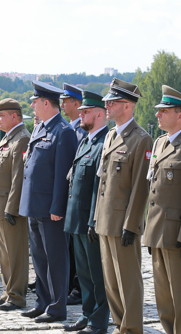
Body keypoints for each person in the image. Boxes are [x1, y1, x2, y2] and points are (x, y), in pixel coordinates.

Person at [94, 78, 152, 334]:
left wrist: (131, 225)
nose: (107, 105)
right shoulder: (109, 136)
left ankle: (132, 328)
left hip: (123, 222)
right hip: (105, 220)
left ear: (127, 106)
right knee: (112, 282)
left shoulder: (141, 139)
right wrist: (95, 219)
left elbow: (141, 187)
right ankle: (120, 325)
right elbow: (102, 183)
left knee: (128, 280)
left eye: (112, 102)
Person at [19, 81, 77, 323]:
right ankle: (42, 301)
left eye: (35, 101)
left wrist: (57, 207)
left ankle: (57, 307)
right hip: (34, 204)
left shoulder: (63, 131)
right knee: (40, 258)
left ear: (46, 103)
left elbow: (64, 175)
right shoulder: (41, 128)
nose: (32, 105)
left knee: (56, 259)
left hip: (50, 208)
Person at [143, 85, 181, 334]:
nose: (158, 114)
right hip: (158, 232)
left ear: (180, 114)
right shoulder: (161, 143)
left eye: (164, 110)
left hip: (177, 235)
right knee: (163, 298)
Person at [63, 91, 110, 334]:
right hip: (76, 219)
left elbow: (98, 188)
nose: (81, 115)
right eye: (80, 111)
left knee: (96, 273)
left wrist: (93, 219)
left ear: (100, 114)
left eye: (86, 111)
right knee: (82, 273)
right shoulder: (86, 141)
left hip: (90, 220)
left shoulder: (104, 143)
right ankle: (86, 314)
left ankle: (99, 321)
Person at [0, 98, 30, 311]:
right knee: (5, 252)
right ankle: (7, 290)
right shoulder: (9, 138)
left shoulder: (21, 138)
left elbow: (18, 177)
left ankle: (17, 296)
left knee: (15, 253)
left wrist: (12, 207)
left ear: (14, 116)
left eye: (1, 115)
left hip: (9, 206)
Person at [60, 83, 86, 306]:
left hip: (78, 197)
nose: (62, 105)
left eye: (66, 101)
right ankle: (68, 284)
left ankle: (77, 288)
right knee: (67, 244)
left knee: (76, 246)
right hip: (66, 195)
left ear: (76, 104)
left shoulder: (83, 131)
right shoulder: (69, 128)